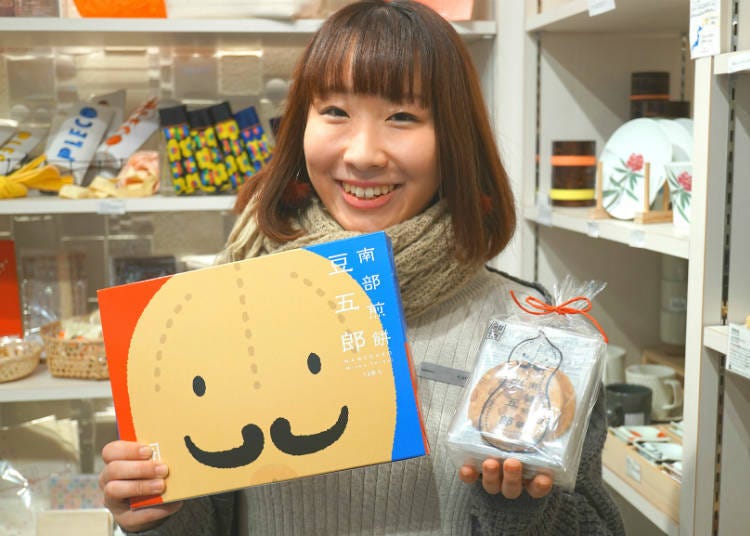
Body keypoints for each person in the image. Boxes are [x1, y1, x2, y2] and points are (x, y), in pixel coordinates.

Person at [99, 1, 625, 534]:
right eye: (334, 112)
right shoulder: (228, 307)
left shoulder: (537, 335)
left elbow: (599, 526)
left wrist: (523, 513)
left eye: (403, 117)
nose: (363, 154)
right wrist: (156, 514)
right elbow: (203, 519)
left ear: (454, 138)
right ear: (299, 123)